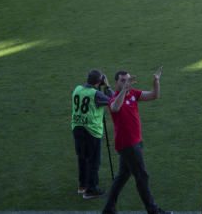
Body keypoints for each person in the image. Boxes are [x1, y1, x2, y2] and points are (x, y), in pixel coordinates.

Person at [102, 67, 170, 214]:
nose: (126, 82)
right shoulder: (114, 98)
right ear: (117, 82)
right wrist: (123, 91)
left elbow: (154, 95)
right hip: (128, 145)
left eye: (128, 79)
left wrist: (156, 81)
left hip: (136, 142)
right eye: (122, 80)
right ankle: (153, 210)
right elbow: (115, 108)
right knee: (142, 176)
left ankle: (108, 208)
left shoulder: (133, 93)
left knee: (123, 176)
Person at [71, 69, 112, 199]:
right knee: (94, 161)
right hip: (91, 130)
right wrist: (107, 86)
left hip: (77, 127)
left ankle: (82, 185)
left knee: (82, 157)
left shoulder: (77, 89)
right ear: (99, 81)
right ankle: (91, 189)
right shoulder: (96, 94)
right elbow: (113, 100)